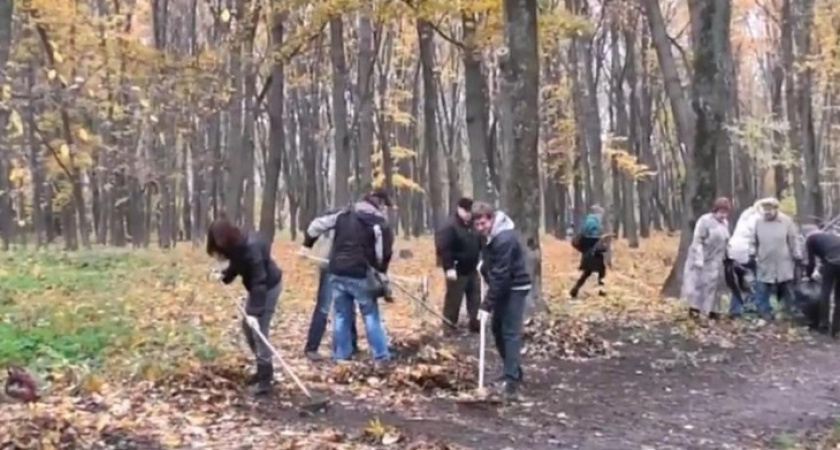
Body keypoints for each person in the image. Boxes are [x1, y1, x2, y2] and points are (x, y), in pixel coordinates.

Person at [302, 189, 394, 363]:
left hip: (336, 271)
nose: (385, 210)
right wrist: (381, 271)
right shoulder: (378, 222)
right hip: (360, 273)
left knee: (342, 315)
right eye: (385, 206)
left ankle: (341, 356)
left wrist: (306, 245)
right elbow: (383, 252)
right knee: (370, 314)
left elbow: (315, 226)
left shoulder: (343, 214)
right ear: (379, 203)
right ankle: (381, 356)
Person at [207, 218, 282, 396]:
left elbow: (259, 281)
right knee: (247, 328)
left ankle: (265, 380)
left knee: (259, 332)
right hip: (258, 288)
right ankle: (261, 367)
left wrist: (255, 314)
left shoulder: (251, 247)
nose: (220, 248)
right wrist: (224, 276)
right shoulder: (236, 247)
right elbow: (237, 265)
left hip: (268, 288)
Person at [472, 202, 531, 400]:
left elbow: (501, 275)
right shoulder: (489, 237)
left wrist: (486, 305)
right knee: (497, 329)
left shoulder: (504, 238)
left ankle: (511, 380)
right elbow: (492, 265)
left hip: (515, 287)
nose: (480, 228)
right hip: (503, 287)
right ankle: (512, 370)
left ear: (491, 218)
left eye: (483, 223)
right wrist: (483, 266)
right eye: (477, 225)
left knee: (510, 332)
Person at [302, 227, 358, 361]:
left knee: (348, 305)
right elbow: (316, 227)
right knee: (324, 307)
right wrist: (306, 245)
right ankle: (311, 347)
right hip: (331, 265)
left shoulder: (363, 219)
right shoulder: (339, 217)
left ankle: (352, 344)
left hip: (349, 265)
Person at [435, 197, 484, 334]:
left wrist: (481, 258)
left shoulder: (473, 224)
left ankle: (476, 324)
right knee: (453, 300)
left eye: (470, 211)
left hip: (472, 269)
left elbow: (480, 241)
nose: (468, 214)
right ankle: (448, 327)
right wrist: (449, 267)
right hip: (457, 270)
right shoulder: (450, 226)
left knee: (475, 298)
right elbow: (444, 248)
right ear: (459, 209)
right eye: (465, 211)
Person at [748, 197, 802, 320]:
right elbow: (753, 240)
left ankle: (789, 312)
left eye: (769, 209)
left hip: (783, 262)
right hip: (764, 260)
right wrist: (751, 253)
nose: (767, 212)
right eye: (764, 209)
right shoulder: (758, 222)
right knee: (762, 288)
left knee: (787, 288)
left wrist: (797, 254)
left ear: (776, 209)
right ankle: (764, 312)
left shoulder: (786, 221)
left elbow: (793, 239)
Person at [681, 197, 731, 320]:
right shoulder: (705, 221)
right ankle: (694, 310)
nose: (723, 215)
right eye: (721, 211)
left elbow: (726, 241)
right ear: (715, 210)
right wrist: (699, 259)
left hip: (716, 260)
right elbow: (698, 240)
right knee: (698, 285)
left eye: (726, 212)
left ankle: (712, 311)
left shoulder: (725, 223)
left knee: (714, 287)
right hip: (702, 258)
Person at [802, 225, 840, 335]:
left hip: (832, 262)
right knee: (839, 296)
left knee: (825, 293)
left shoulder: (810, 239)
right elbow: (827, 255)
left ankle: (823, 325)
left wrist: (809, 276)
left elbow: (811, 262)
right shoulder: (830, 236)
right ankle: (837, 329)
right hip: (835, 259)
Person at [569, 205, 608, 298]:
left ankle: (575, 290)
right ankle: (600, 291)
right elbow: (591, 236)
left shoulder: (589, 221)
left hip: (589, 252)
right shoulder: (592, 222)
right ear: (597, 213)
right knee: (600, 271)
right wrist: (600, 238)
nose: (602, 217)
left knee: (588, 273)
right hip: (592, 252)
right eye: (601, 214)